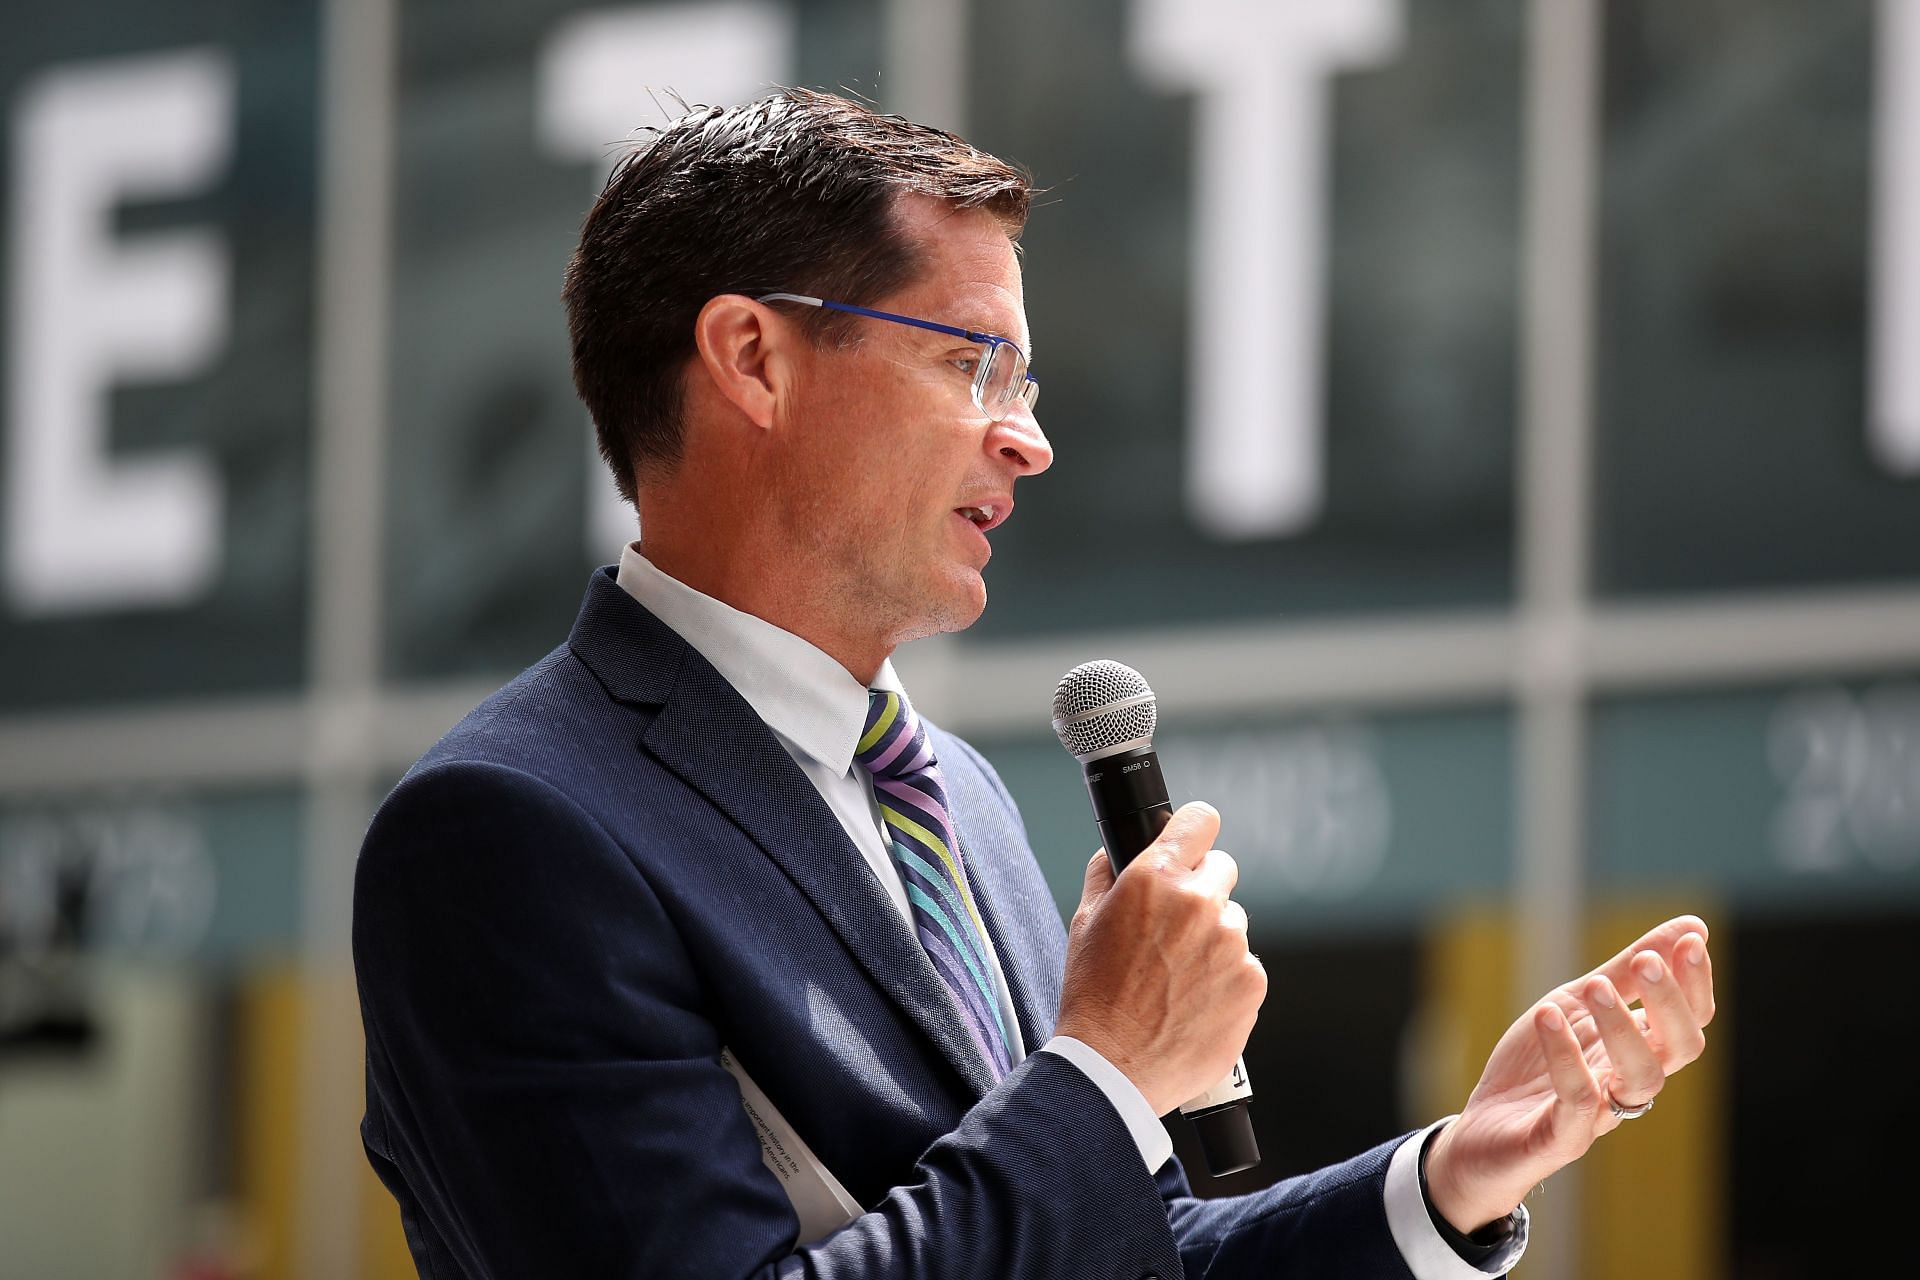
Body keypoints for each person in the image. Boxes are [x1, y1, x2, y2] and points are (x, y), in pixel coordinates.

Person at [352, 88, 1716, 1279]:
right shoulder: (510, 830)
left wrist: (1449, 1181)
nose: (1031, 441)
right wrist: (1109, 1069)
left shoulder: (958, 796)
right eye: (971, 364)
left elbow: (1119, 1250)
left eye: (1029, 380)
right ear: (753, 359)